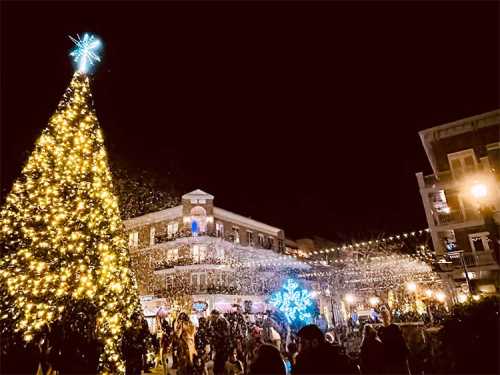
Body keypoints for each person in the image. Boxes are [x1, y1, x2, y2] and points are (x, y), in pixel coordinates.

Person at [293, 324, 357, 374]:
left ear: (315, 342)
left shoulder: (304, 364)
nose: (300, 347)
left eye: (303, 343)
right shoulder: (340, 358)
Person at [378, 307, 411, 375]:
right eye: (383, 316)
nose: (385, 318)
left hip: (397, 357)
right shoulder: (381, 330)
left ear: (388, 316)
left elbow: (401, 342)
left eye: (386, 316)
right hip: (389, 358)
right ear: (381, 318)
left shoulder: (394, 328)